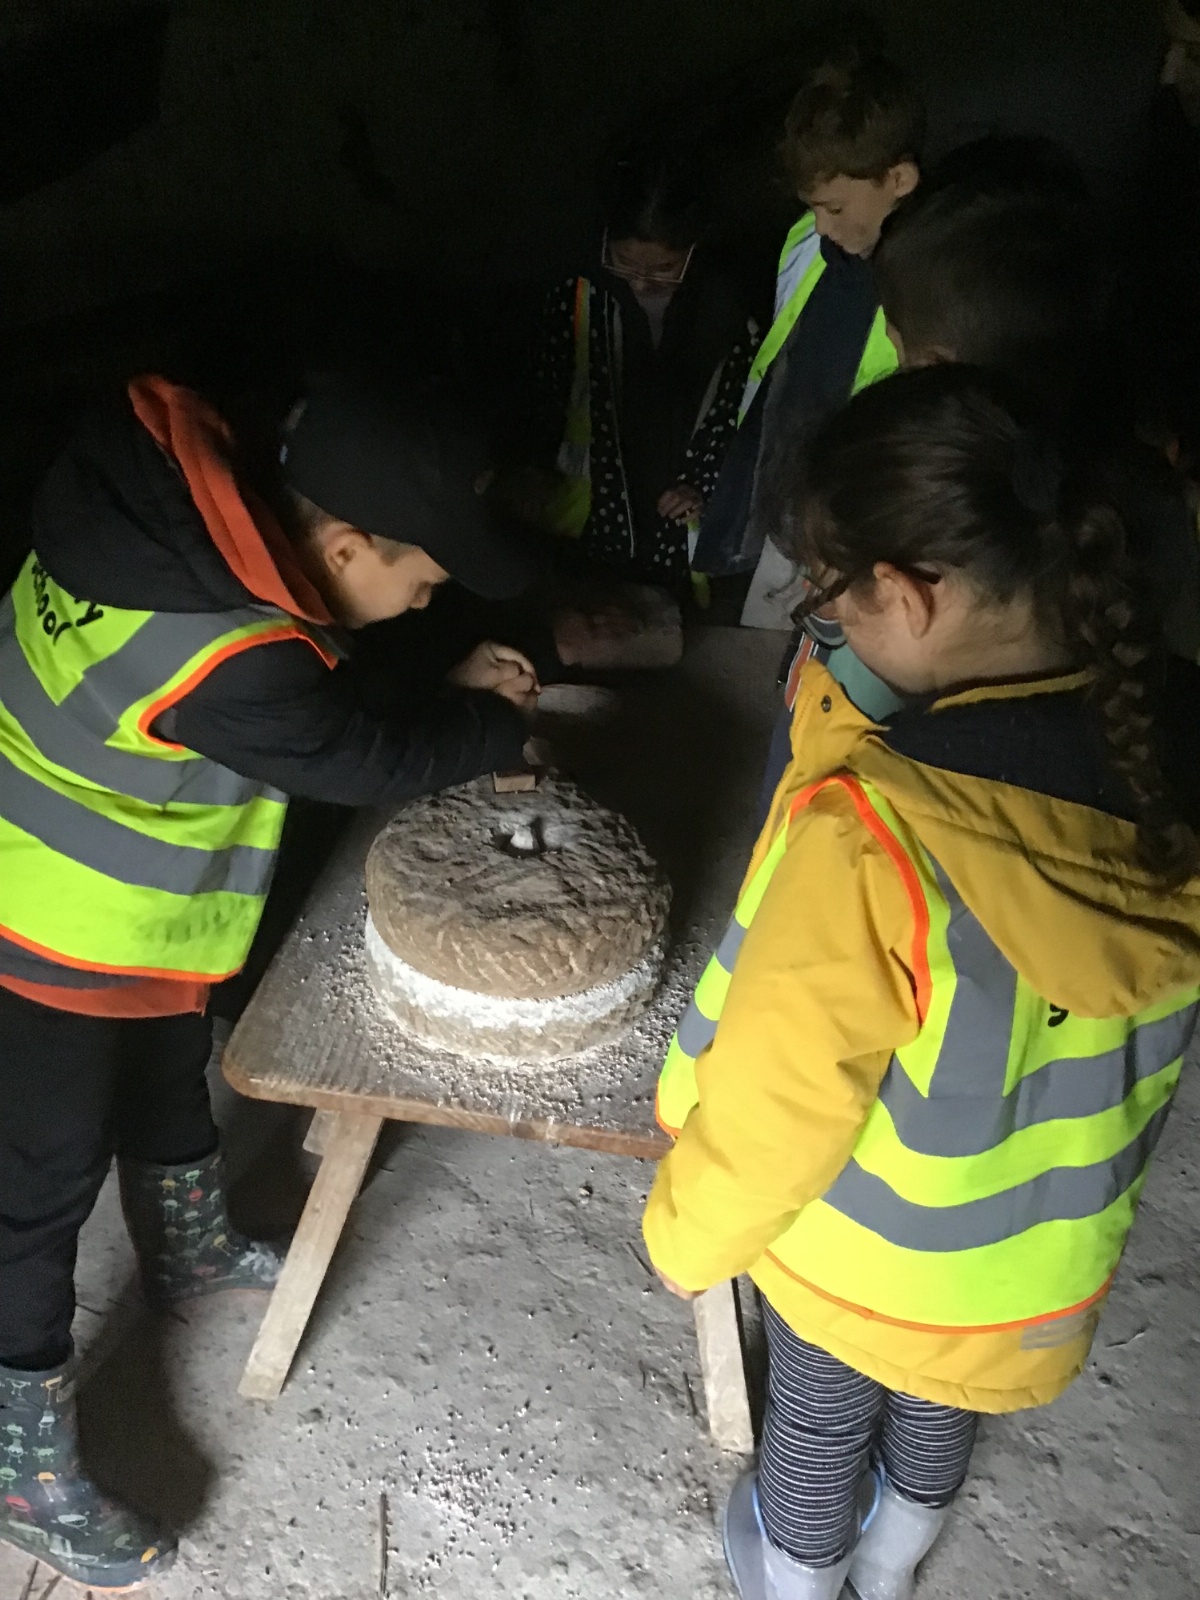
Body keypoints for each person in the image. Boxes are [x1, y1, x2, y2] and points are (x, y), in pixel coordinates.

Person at [642, 365, 1200, 1600]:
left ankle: (798, 1575)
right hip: (1028, 1276)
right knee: (941, 1404)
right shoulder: (1168, 767)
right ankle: (891, 1567)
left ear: (904, 594)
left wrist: (686, 1236)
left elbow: (780, 1109)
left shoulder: (877, 836)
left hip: (863, 1259)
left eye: (833, 602)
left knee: (818, 1419)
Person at [0, 371, 540, 1589]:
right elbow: (346, 749)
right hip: (44, 914)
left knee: (166, 1064)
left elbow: (314, 688)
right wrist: (488, 731)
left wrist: (442, 693)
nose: (428, 599)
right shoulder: (230, 654)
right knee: (33, 1187)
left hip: (116, 882)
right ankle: (17, 1453)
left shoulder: (177, 512)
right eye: (424, 581)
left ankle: (187, 1246)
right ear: (343, 548)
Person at [693, 38, 922, 627]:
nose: (819, 225)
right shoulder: (807, 240)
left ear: (898, 178)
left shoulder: (922, 286)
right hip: (788, 488)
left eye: (835, 208)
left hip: (855, 517)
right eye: (813, 207)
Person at [514, 141, 759, 596]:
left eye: (665, 268)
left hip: (678, 522)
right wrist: (530, 465)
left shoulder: (725, 310)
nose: (643, 282)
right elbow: (543, 391)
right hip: (595, 514)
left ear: (695, 248)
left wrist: (704, 488)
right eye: (625, 262)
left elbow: (738, 412)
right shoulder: (579, 294)